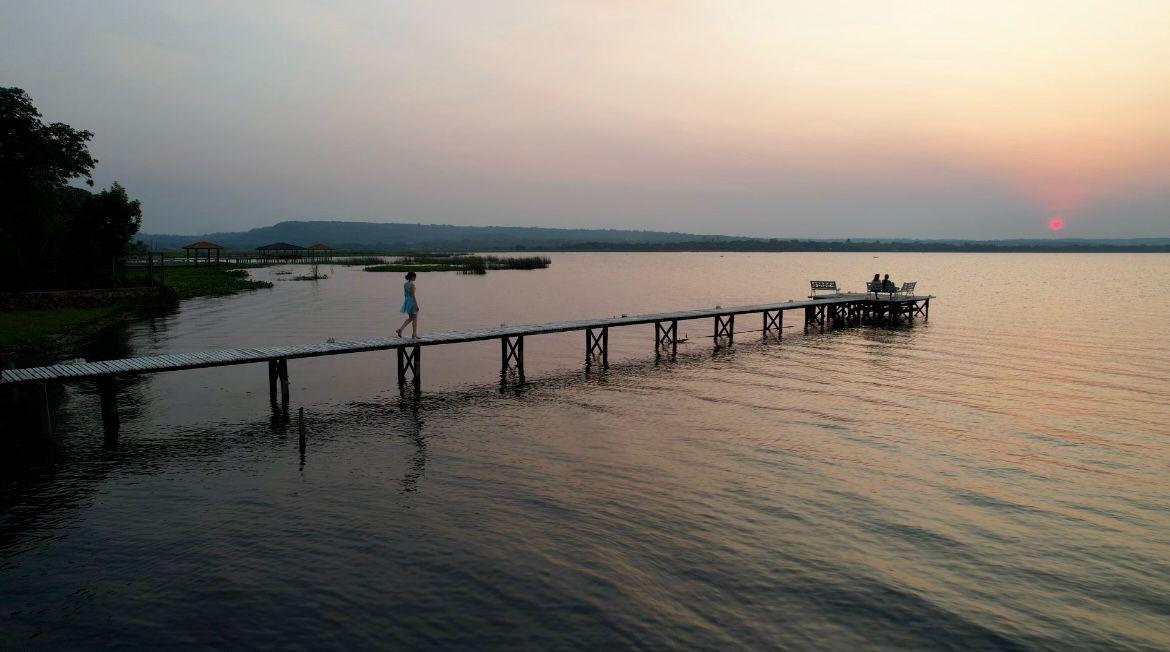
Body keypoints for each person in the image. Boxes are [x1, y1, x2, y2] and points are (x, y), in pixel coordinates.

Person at [395, 271, 420, 338]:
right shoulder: (412, 285)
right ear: (412, 277)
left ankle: (401, 330)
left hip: (407, 301)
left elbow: (405, 294)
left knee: (411, 318)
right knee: (415, 319)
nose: (415, 278)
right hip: (412, 302)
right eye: (415, 277)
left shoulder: (405, 284)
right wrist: (416, 305)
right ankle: (414, 334)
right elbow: (413, 296)